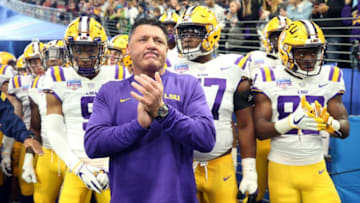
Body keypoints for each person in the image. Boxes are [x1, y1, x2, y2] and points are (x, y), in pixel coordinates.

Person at [84, 17, 216, 203]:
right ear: (128, 49)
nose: (152, 45)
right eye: (143, 39)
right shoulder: (110, 91)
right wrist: (138, 126)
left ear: (166, 49)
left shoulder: (188, 85)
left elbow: (206, 139)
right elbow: (93, 145)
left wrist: (163, 112)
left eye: (159, 41)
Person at [252, 20, 349, 203]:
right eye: (302, 52)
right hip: (281, 170)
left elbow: (345, 130)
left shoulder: (330, 76)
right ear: (286, 51)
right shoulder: (268, 77)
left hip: (316, 169)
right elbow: (259, 130)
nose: (309, 58)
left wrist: (331, 124)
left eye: (314, 51)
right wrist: (289, 122)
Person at [171, 6, 257, 203]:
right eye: (183, 33)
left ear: (212, 33)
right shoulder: (170, 67)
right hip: (180, 164)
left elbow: (244, 124)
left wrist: (250, 170)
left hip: (221, 164)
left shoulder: (234, 67)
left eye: (194, 32)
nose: (186, 38)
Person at [44, 16, 123, 203]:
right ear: (69, 50)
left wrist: (109, 166)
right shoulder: (57, 77)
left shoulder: (119, 75)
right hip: (76, 162)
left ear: (102, 49)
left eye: (91, 49)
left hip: (112, 162)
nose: (85, 57)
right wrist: (78, 167)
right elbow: (54, 130)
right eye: (79, 49)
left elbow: (127, 126)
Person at [239, 15, 292, 203]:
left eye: (284, 35)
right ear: (266, 38)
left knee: (284, 192)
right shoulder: (255, 58)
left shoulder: (301, 63)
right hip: (260, 131)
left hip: (288, 136)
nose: (279, 40)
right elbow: (239, 96)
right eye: (276, 35)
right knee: (256, 191)